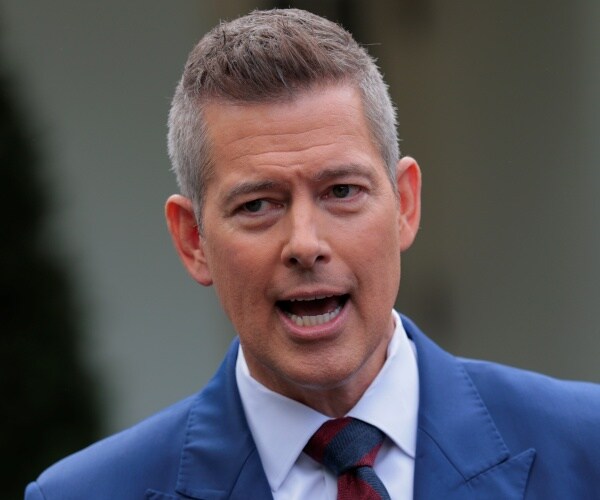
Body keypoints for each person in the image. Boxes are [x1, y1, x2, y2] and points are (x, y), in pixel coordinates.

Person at [25, 8, 600, 500]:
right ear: (193, 240)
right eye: (257, 205)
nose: (305, 244)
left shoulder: (585, 448)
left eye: (341, 191)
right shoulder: (83, 494)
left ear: (404, 205)